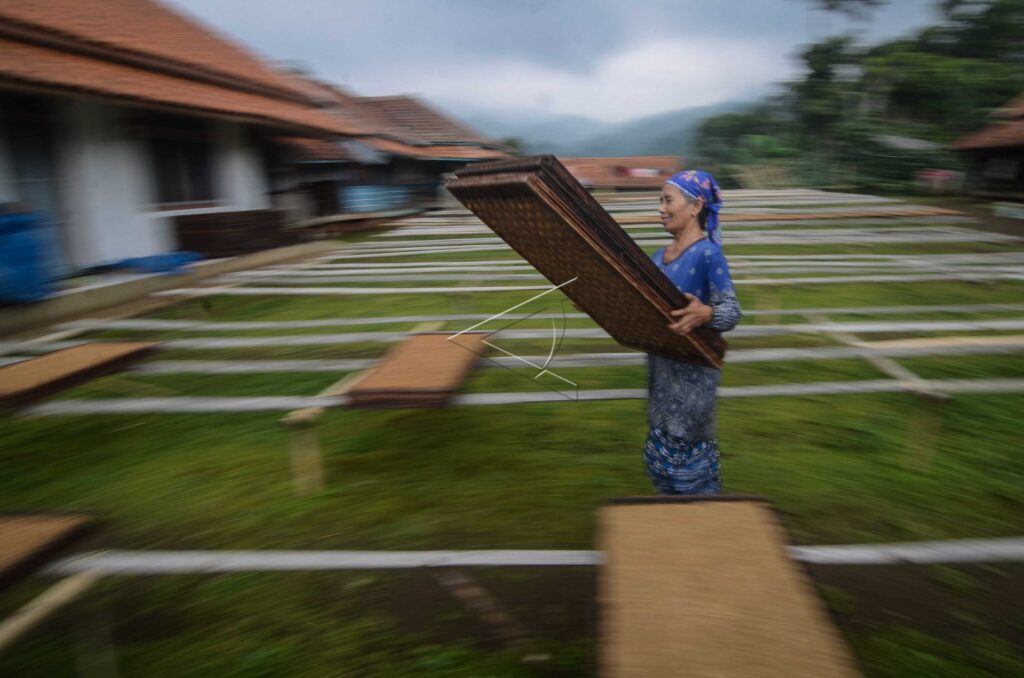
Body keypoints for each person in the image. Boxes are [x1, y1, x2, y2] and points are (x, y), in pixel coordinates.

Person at [643, 169, 741, 495]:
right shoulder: (659, 256)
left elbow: (731, 311)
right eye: (659, 200)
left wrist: (706, 312)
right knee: (659, 464)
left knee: (691, 477)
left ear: (696, 205)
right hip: (661, 378)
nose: (660, 207)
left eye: (667, 200)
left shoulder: (708, 255)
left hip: (692, 385)